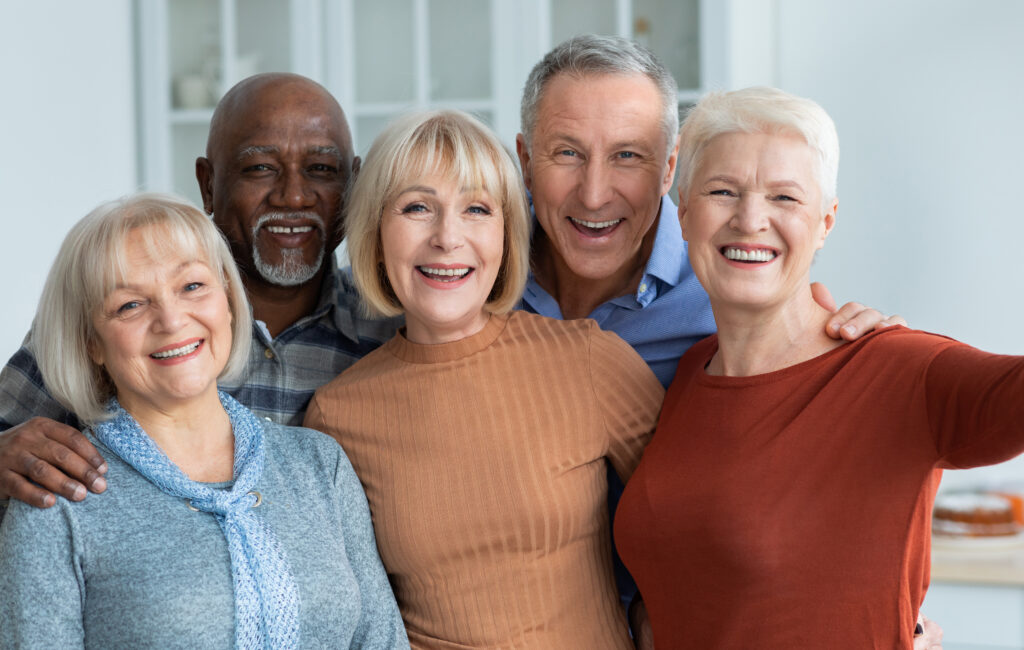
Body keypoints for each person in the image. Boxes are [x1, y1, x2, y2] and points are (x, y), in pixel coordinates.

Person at [614, 86, 1024, 648]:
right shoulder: (690, 373)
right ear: (684, 215)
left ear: (825, 222)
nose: (750, 219)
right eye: (722, 191)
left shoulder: (901, 370)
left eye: (785, 197)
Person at [304, 109, 663, 648]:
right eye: (417, 207)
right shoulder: (338, 415)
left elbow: (705, 517)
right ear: (377, 234)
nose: (448, 238)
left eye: (476, 209)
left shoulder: (587, 360)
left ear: (506, 235)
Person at [0, 193, 407, 648]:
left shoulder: (320, 466)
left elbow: (381, 640)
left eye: (192, 286)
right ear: (91, 342)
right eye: (131, 305)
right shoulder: (57, 501)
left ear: (229, 303)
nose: (172, 320)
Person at [0, 73, 399, 510]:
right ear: (208, 184)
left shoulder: (391, 327)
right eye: (261, 168)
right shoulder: (117, 320)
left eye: (321, 170)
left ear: (353, 185)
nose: (294, 196)